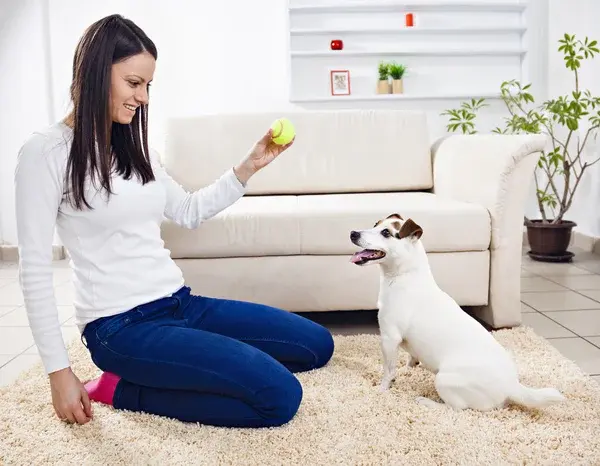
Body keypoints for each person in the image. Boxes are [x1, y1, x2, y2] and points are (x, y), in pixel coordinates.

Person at [14, 14, 334, 428]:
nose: (143, 97)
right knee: (279, 397)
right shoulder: (46, 152)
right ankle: (122, 389)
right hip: (120, 327)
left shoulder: (135, 147)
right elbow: (34, 268)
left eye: (147, 85)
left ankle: (194, 357)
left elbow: (188, 210)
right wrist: (59, 372)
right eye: (133, 83)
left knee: (315, 346)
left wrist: (247, 168)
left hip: (180, 304)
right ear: (96, 73)